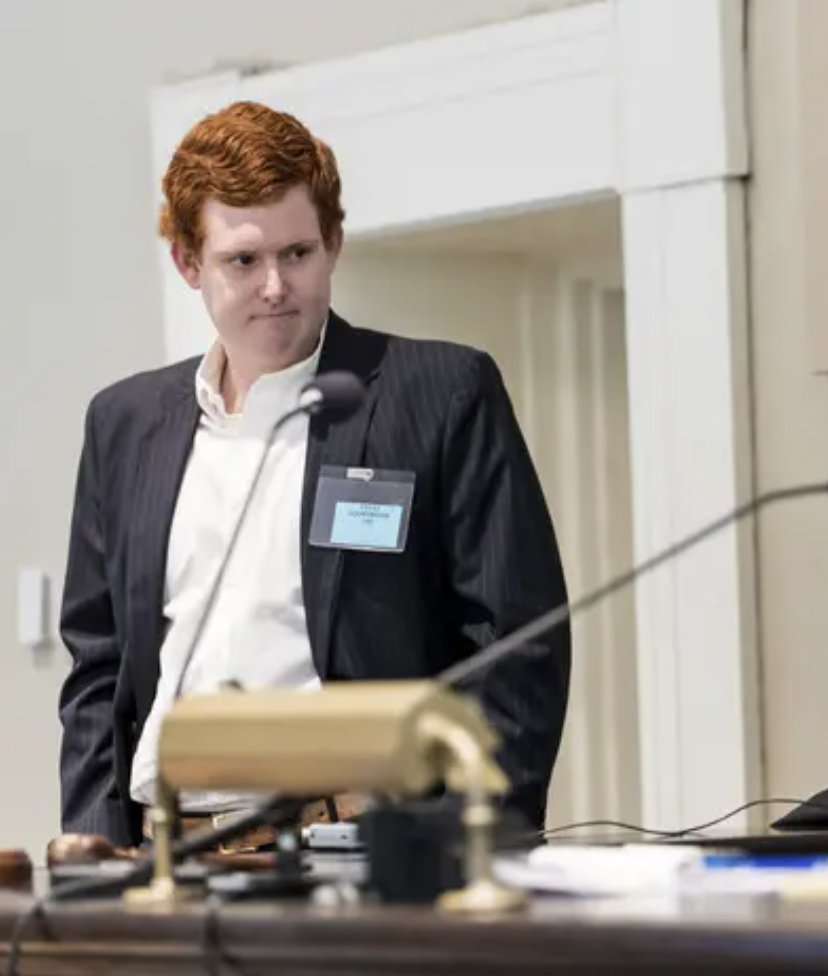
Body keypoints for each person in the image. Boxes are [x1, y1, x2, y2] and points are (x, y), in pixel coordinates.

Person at [56, 101, 571, 848]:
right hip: (167, 851)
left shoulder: (438, 393)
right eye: (244, 260)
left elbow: (517, 643)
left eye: (298, 253)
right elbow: (98, 663)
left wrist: (473, 848)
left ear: (333, 243)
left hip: (357, 848)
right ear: (188, 263)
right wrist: (94, 846)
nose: (275, 285)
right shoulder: (124, 424)